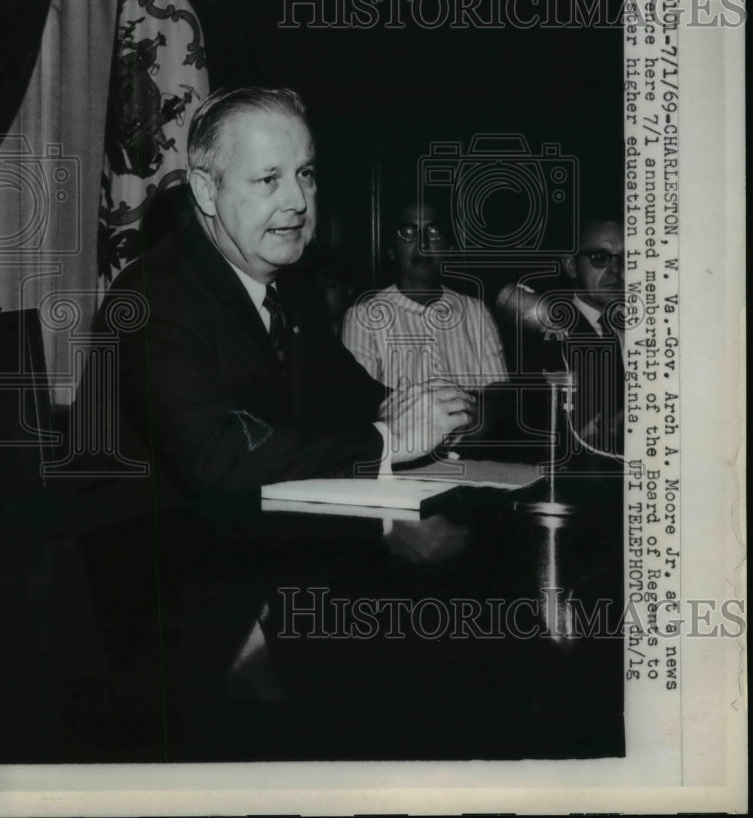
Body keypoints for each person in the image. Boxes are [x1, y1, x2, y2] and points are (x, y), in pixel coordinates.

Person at [77, 86, 474, 757]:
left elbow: (356, 399)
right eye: (268, 179)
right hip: (162, 623)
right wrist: (390, 439)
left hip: (261, 566)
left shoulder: (282, 287)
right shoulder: (150, 297)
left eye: (306, 174)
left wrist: (437, 409)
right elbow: (216, 456)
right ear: (205, 190)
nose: (296, 201)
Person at [342, 199, 508, 395]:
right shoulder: (364, 317)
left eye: (434, 233)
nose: (422, 244)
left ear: (449, 249)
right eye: (409, 233)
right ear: (391, 251)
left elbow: (499, 395)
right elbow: (361, 402)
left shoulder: (476, 312)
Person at [495, 213, 625, 456]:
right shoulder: (538, 335)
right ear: (571, 265)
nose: (616, 270)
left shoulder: (651, 328)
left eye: (628, 259)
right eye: (600, 258)